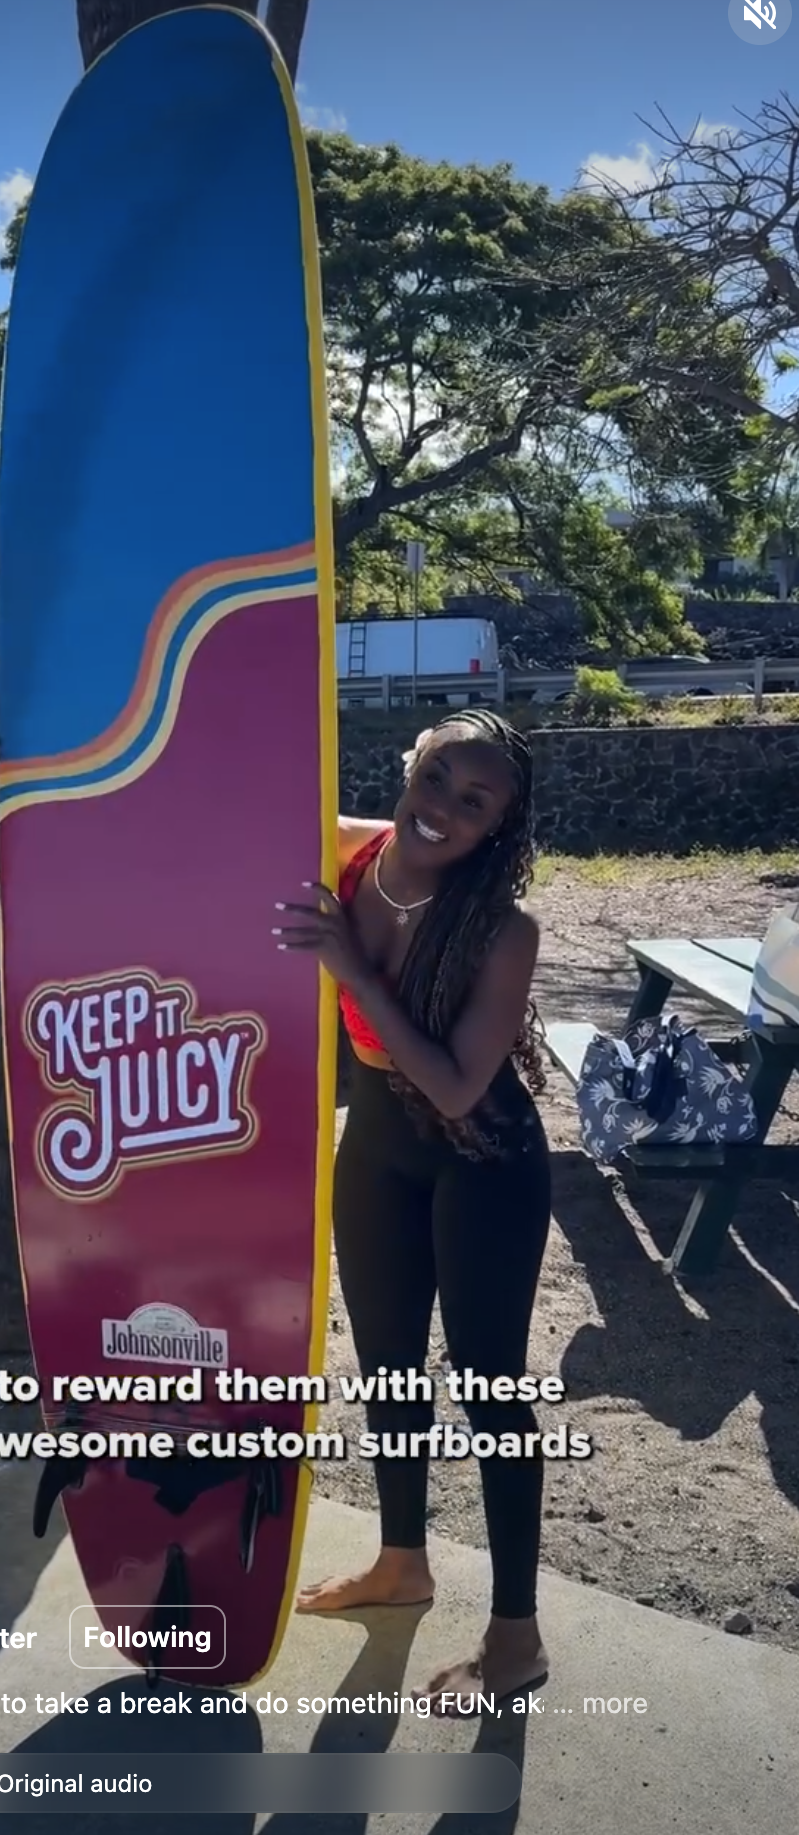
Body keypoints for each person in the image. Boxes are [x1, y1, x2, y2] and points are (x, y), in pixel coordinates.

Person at [272, 709, 552, 1715]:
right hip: (380, 1145)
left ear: (498, 827)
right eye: (436, 777)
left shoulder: (503, 931)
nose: (441, 808)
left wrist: (352, 968)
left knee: (489, 1389)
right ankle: (402, 1562)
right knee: (387, 1361)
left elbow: (457, 1084)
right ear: (413, 762)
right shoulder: (351, 852)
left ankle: (515, 1636)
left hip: (484, 1156)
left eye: (473, 802)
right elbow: (216, 815)